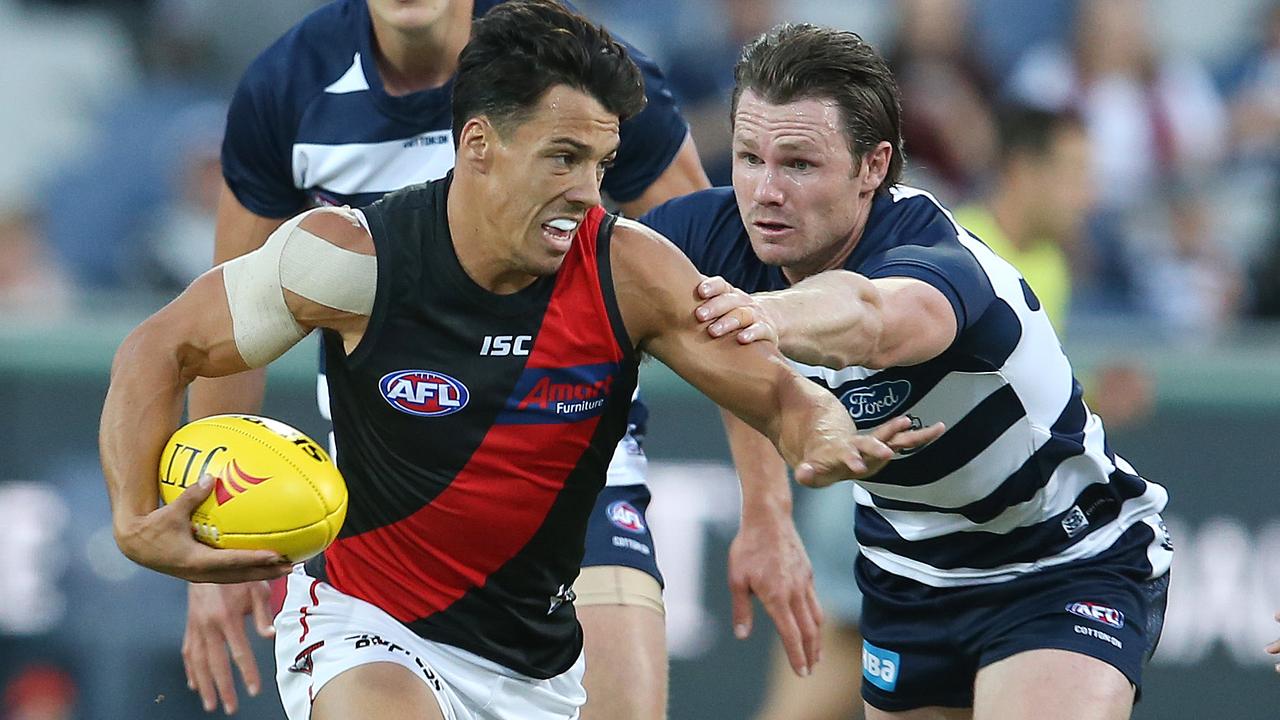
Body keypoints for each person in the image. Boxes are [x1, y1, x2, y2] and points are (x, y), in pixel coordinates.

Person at [100, 4, 944, 719]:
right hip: (369, 619)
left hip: (539, 658)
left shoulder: (632, 270)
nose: (588, 190)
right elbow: (159, 346)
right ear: (477, 145)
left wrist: (819, 434)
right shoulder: (349, 258)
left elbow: (776, 394)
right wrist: (140, 517)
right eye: (563, 159)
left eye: (603, 164)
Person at [641, 24, 1173, 720]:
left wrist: (765, 314)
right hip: (906, 577)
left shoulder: (934, 257)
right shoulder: (718, 234)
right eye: (747, 157)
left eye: (799, 163)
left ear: (873, 166)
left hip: (1058, 561)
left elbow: (867, 314)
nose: (765, 190)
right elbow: (593, 269)